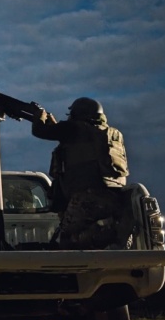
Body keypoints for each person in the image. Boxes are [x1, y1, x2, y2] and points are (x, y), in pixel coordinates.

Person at [32, 97, 132, 249]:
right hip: (114, 196)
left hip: (85, 197)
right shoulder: (113, 134)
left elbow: (39, 131)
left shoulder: (74, 128)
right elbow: (79, 144)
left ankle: (76, 267)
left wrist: (39, 115)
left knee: (65, 242)